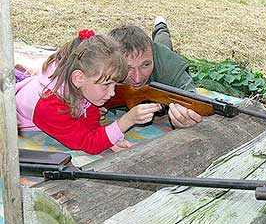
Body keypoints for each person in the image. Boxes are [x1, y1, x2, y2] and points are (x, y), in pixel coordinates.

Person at [15, 29, 162, 155]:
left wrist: (108, 140)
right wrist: (126, 121)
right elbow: (86, 142)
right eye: (106, 85)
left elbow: (90, 123)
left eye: (114, 84)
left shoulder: (84, 84)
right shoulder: (49, 105)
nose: (112, 93)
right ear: (78, 78)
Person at [109, 17, 202, 128]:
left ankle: (161, 26)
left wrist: (186, 116)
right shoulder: (101, 65)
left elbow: (190, 96)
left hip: (161, 56)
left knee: (163, 42)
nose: (138, 78)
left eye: (146, 65)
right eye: (128, 68)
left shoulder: (166, 64)